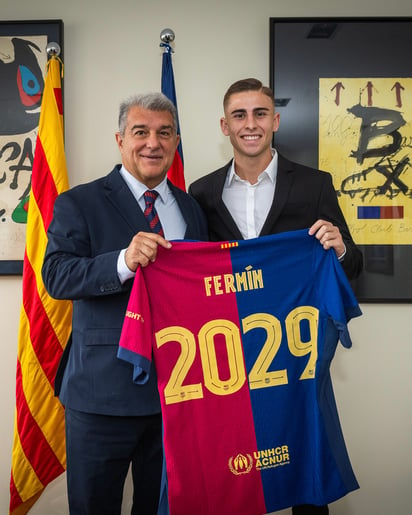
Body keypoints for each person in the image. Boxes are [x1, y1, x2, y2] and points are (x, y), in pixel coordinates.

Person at [188, 78, 363, 515]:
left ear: (276, 121)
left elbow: (353, 263)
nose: (251, 124)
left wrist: (339, 246)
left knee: (304, 461)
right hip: (226, 356)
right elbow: (194, 275)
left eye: (260, 113)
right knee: (235, 466)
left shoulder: (314, 184)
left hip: (295, 352)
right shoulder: (201, 192)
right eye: (240, 115)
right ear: (224, 126)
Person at [42, 92, 208, 515]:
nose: (152, 143)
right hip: (101, 397)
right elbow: (57, 276)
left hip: (176, 394)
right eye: (141, 132)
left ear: (175, 142)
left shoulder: (191, 207)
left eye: (164, 133)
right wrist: (122, 262)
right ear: (120, 140)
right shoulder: (79, 202)